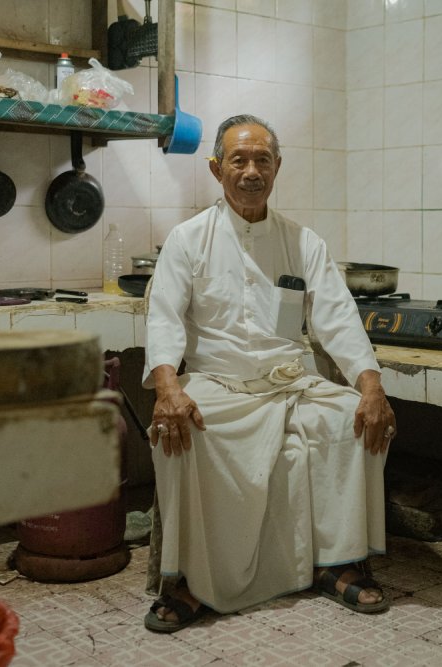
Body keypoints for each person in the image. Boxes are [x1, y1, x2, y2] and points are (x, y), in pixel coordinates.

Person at [142, 114, 397, 632]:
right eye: (239, 160)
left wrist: (371, 386)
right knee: (180, 429)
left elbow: (339, 319)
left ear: (278, 167)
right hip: (218, 383)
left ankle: (337, 562)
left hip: (290, 382)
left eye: (263, 159)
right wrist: (168, 387)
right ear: (217, 169)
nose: (251, 171)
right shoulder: (187, 239)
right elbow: (164, 317)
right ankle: (190, 581)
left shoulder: (303, 242)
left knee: (351, 415)